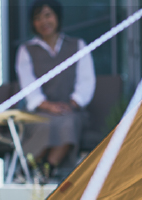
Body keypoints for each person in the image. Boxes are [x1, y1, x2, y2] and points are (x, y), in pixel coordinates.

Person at [16, 0, 95, 179]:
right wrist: (48, 106)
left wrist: (73, 103)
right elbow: (28, 85)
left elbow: (86, 80)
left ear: (57, 16)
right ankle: (29, 169)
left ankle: (46, 169)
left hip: (71, 109)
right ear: (32, 23)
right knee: (47, 124)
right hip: (39, 111)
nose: (44, 22)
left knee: (69, 122)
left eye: (48, 15)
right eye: (37, 18)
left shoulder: (77, 45)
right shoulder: (26, 50)